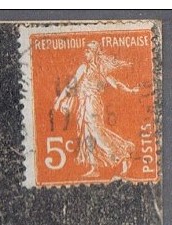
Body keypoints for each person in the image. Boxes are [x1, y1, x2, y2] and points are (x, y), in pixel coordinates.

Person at [53, 41, 140, 178]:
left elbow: (115, 84)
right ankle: (94, 168)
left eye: (88, 51)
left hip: (93, 104)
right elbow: (71, 85)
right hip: (83, 104)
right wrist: (59, 100)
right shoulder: (83, 68)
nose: (85, 54)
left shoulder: (101, 70)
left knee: (97, 133)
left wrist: (130, 90)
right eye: (85, 51)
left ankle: (122, 155)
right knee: (87, 135)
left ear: (94, 53)